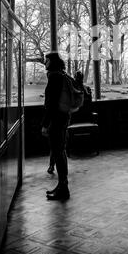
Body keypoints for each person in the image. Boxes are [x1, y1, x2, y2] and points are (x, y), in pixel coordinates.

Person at [41, 51, 73, 201]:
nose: (44, 63)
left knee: (58, 152)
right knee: (61, 151)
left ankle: (63, 189)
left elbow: (51, 103)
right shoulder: (61, 74)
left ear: (51, 62)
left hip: (56, 120)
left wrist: (45, 124)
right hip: (63, 118)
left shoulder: (54, 77)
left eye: (46, 60)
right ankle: (62, 186)